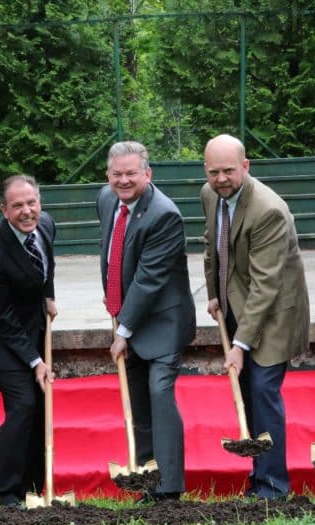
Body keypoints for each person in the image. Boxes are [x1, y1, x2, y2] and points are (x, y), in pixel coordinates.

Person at [201, 134, 310, 500]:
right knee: (247, 393)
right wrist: (213, 293)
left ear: (245, 167)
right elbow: (210, 246)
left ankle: (273, 486)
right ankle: (258, 477)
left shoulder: (268, 210)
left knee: (263, 391)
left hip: (274, 312)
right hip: (235, 304)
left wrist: (240, 344)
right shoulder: (209, 195)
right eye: (214, 171)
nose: (221, 179)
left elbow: (266, 286)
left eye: (229, 170)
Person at [96, 140, 196, 503]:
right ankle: (146, 479)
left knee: (159, 394)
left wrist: (123, 330)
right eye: (117, 174)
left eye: (131, 174)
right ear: (108, 175)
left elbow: (149, 279)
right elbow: (113, 254)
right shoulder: (106, 200)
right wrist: (113, 305)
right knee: (137, 401)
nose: (124, 181)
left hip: (162, 322)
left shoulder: (164, 215)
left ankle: (169, 489)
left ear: (148, 174)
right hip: (127, 315)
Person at [0, 175, 57, 507]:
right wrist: (35, 362)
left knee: (39, 408)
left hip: (32, 329)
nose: (26, 211)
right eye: (17, 205)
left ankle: (32, 489)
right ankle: (3, 494)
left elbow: (47, 266)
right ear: (4, 210)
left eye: (31, 203)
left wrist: (48, 296)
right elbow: (1, 318)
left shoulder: (45, 226)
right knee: (23, 404)